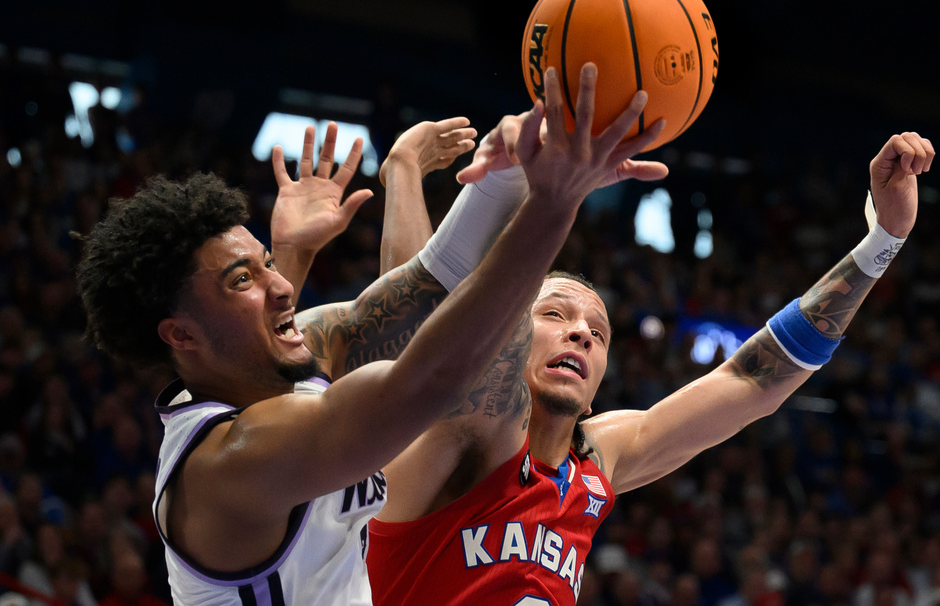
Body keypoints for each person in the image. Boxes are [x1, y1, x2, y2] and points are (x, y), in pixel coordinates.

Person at [74, 64, 667, 605]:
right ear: (180, 335)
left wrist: (500, 179)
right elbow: (429, 380)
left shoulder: (285, 365)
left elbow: (419, 292)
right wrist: (552, 202)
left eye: (266, 264)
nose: (281, 287)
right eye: (241, 279)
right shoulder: (231, 465)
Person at [361, 123, 935, 604]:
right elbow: (416, 330)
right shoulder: (461, 436)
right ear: (507, 336)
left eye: (598, 332)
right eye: (555, 314)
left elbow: (751, 378)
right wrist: (412, 168)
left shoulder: (598, 459)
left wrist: (883, 241)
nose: (581, 333)